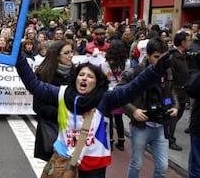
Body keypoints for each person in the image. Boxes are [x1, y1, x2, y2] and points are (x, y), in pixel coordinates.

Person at [15, 40, 172, 177]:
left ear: (97, 83)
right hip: (64, 161)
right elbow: (34, 85)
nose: (84, 78)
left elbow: (133, 87)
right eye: (81, 75)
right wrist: (19, 58)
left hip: (93, 166)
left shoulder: (104, 99)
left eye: (90, 77)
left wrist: (156, 70)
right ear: (75, 78)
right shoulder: (62, 93)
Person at [118, 38, 179, 178]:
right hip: (141, 126)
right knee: (137, 163)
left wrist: (174, 106)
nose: (160, 61)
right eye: (156, 57)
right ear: (148, 56)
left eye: (162, 57)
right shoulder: (136, 72)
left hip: (161, 126)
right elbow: (118, 92)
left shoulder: (167, 71)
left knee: (163, 166)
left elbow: (171, 92)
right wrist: (133, 110)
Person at [32, 40, 75, 161]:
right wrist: (63, 113)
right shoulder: (43, 74)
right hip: (52, 128)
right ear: (56, 56)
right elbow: (38, 106)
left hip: (73, 130)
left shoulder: (76, 73)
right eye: (66, 53)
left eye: (72, 52)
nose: (71, 55)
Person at [100, 39, 130, 151]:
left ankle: (110, 142)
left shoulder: (105, 64)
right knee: (119, 118)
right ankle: (121, 141)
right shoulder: (127, 64)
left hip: (109, 92)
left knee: (109, 118)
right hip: (122, 91)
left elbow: (103, 79)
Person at [168, 31, 190, 151]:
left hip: (182, 93)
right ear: (183, 42)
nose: (189, 42)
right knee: (172, 116)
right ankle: (169, 139)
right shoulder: (173, 56)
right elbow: (170, 78)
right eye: (188, 40)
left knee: (178, 115)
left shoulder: (183, 55)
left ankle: (166, 136)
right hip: (172, 94)